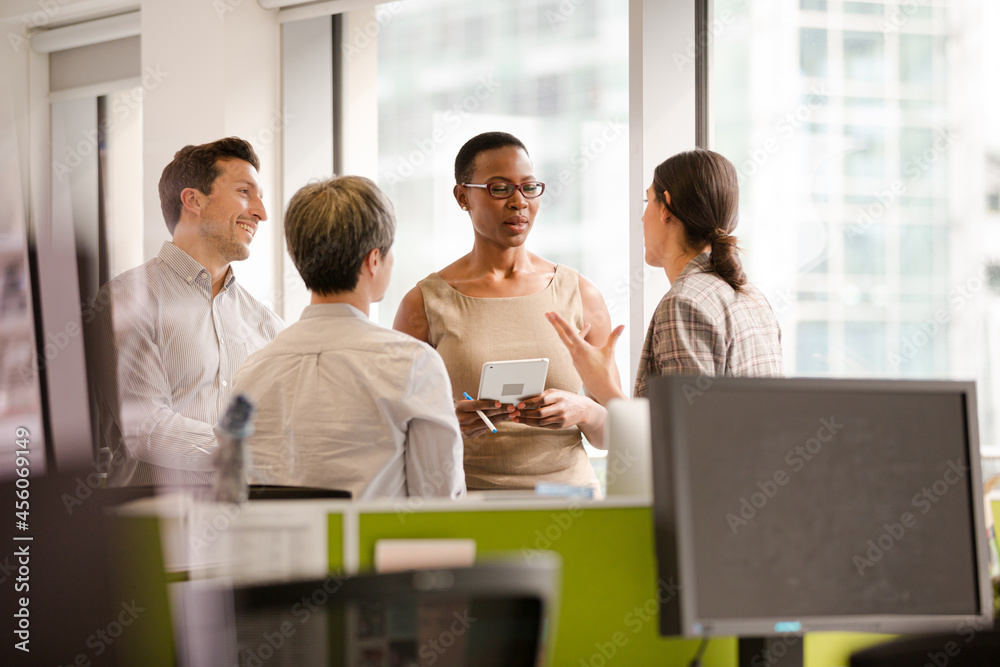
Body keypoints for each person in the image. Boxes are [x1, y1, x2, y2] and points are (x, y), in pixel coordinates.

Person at [393, 131, 618, 495]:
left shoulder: (580, 294)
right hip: (469, 503)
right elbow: (394, 426)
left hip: (569, 503)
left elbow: (613, 434)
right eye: (500, 189)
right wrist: (446, 419)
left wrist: (583, 411)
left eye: (529, 188)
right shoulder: (423, 303)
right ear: (462, 196)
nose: (519, 202)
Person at [235, 176, 465, 500]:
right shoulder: (413, 363)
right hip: (373, 550)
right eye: (388, 252)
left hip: (280, 550)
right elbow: (438, 501)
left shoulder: (251, 371)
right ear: (373, 260)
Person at [93, 137, 283, 487]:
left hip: (249, 524)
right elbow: (146, 429)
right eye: (245, 192)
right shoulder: (126, 300)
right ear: (193, 200)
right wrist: (251, 451)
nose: (261, 212)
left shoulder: (267, 325)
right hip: (152, 531)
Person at [547, 149, 783, 419]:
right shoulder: (752, 297)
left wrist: (603, 388)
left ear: (666, 207)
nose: (641, 217)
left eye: (647, 200)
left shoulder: (685, 304)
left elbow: (688, 435)